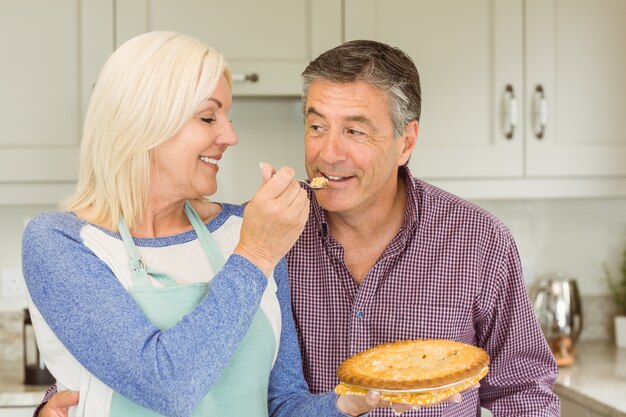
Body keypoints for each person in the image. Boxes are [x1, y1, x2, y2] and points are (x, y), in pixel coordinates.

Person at [35, 39, 560, 417]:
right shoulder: (267, 231)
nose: (327, 152)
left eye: (355, 130)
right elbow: (161, 381)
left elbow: (525, 390)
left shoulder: (478, 241)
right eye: (315, 126)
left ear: (406, 141)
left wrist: (350, 402)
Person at [22, 31, 383, 417]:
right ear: (143, 124)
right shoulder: (62, 242)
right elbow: (167, 386)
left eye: (227, 117)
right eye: (208, 116)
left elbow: (281, 404)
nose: (230, 136)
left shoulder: (243, 227)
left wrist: (346, 404)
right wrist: (256, 253)